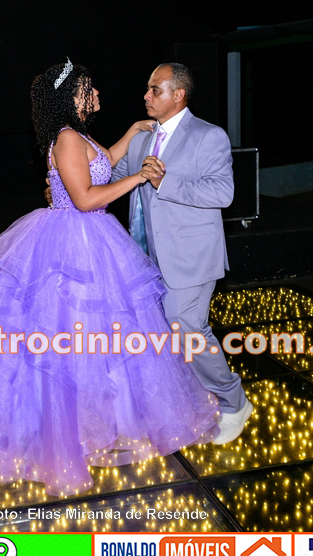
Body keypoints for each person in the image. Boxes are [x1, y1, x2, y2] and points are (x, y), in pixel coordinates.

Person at [0, 60, 219, 496]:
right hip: (72, 245)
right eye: (89, 88)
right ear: (72, 96)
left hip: (91, 240)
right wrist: (139, 177)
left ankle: (94, 427)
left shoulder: (80, 136)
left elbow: (103, 162)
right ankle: (62, 437)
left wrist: (131, 133)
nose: (97, 94)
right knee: (69, 344)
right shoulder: (68, 137)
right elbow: (87, 199)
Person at [111, 63, 251, 444]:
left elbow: (223, 193)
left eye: (155, 89)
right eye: (147, 88)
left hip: (191, 258)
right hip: (146, 259)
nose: (146, 96)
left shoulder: (208, 136)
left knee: (185, 329)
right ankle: (193, 403)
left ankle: (234, 402)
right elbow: (112, 178)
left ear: (179, 95)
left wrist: (165, 181)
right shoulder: (142, 139)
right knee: (166, 337)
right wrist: (68, 180)